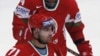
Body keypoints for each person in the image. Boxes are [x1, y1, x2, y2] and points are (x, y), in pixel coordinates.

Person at [12, 0, 93, 56]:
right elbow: (17, 31)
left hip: (57, 50)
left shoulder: (69, 3)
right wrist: (39, 39)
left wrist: (84, 49)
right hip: (30, 50)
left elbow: (76, 30)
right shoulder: (29, 1)